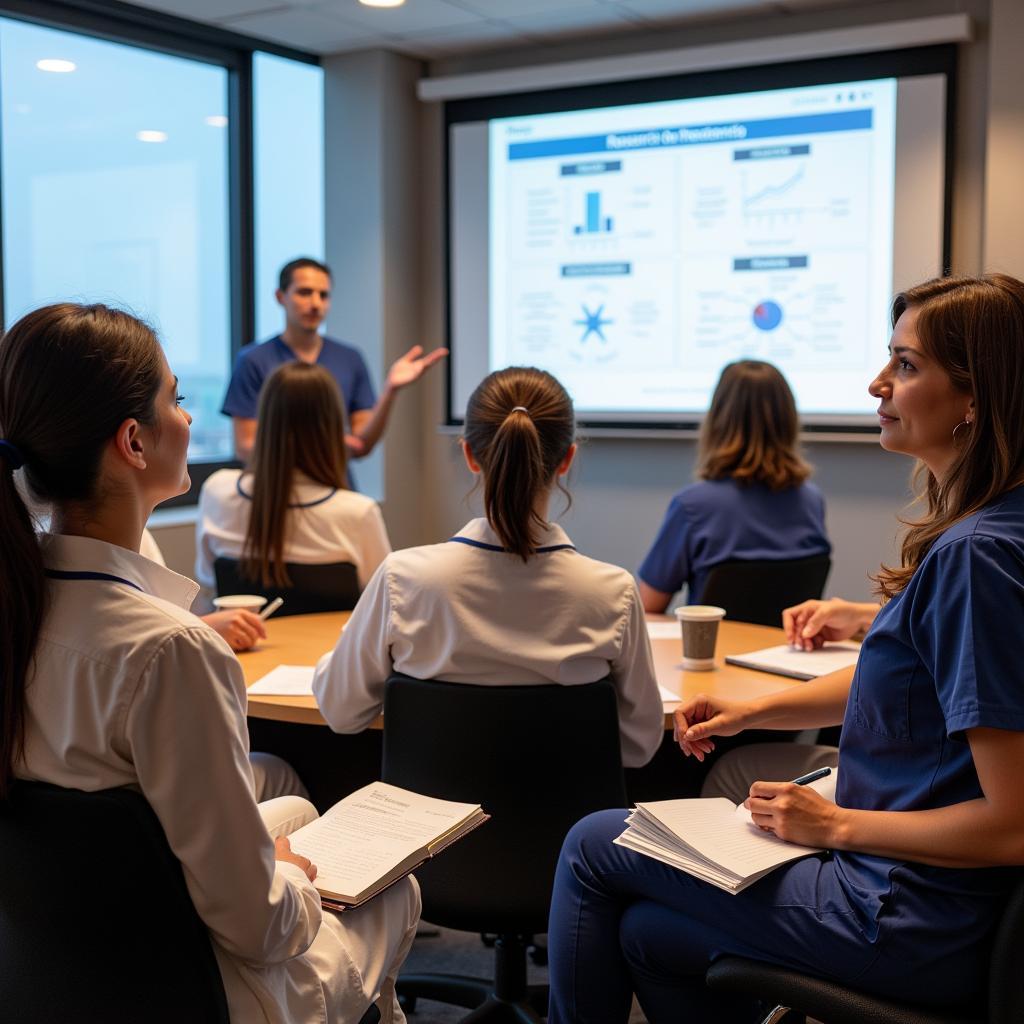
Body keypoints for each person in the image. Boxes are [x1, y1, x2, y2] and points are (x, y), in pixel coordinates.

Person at [547, 274, 1024, 1023]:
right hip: (916, 896)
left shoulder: (976, 559)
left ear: (976, 397)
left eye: (905, 365)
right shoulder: (996, 532)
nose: (878, 382)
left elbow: (1013, 823)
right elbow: (903, 679)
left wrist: (832, 824)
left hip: (902, 913)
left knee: (591, 841)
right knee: (650, 934)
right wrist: (749, 712)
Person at [0, 303, 419, 1024]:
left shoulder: (20, 608)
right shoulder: (172, 651)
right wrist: (293, 884)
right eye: (177, 400)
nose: (190, 420)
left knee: (292, 807)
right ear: (133, 441)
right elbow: (260, 929)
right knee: (393, 890)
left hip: (64, 970)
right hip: (197, 990)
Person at [312, 366, 664, 769]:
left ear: (469, 455)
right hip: (565, 827)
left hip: (430, 831)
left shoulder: (403, 579)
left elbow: (341, 713)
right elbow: (639, 747)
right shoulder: (612, 592)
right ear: (567, 459)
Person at [637, 359, 830, 613]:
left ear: (717, 419)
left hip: (715, 650)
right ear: (789, 419)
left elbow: (647, 606)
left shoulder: (693, 505)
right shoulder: (812, 501)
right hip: (782, 649)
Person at [222, 257, 447, 463]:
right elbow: (245, 447)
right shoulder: (253, 360)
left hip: (336, 489)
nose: (316, 303)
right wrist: (324, 443)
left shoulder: (348, 358)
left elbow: (361, 444)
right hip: (277, 493)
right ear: (281, 297)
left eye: (324, 295)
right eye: (304, 292)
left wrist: (390, 390)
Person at [198, 361, 391, 596]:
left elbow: (208, 583)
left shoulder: (216, 491)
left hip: (243, 634)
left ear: (266, 421)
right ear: (331, 429)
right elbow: (383, 604)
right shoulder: (358, 513)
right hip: (330, 635)